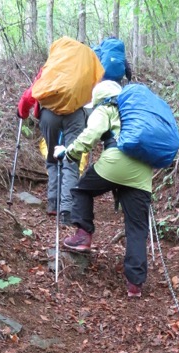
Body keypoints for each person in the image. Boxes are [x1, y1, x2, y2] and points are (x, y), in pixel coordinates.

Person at [53, 80, 152, 299]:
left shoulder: (107, 108)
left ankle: (83, 236)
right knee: (137, 228)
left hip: (116, 162)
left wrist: (68, 152)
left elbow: (90, 136)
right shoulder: (136, 113)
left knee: (81, 190)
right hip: (143, 172)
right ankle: (135, 284)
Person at [17, 83, 86, 225]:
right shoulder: (82, 66)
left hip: (49, 113)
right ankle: (67, 210)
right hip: (75, 114)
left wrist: (22, 111)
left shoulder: (52, 67)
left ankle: (53, 203)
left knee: (52, 159)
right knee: (71, 161)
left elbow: (33, 91)